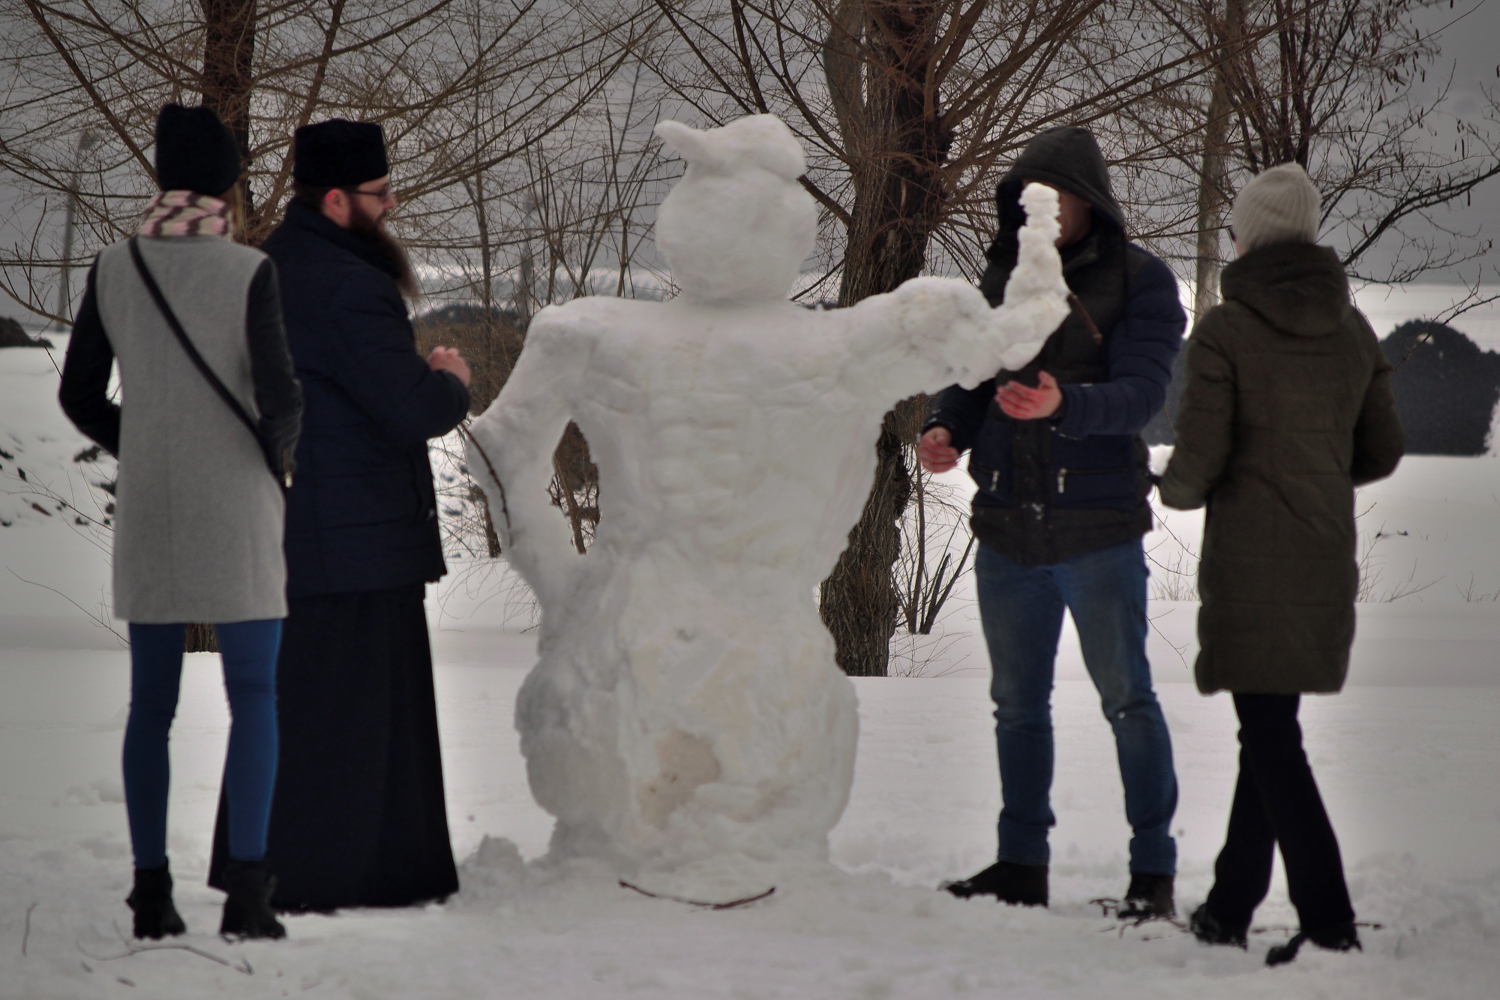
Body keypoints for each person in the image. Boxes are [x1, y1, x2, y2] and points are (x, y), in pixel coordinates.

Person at [920, 125, 1185, 915]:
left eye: (1057, 195)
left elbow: (1142, 395)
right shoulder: (1001, 276)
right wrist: (945, 427)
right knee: (1016, 708)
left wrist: (1064, 403)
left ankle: (1153, 875)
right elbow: (969, 378)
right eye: (1029, 195)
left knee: (1128, 702)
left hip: (1098, 530)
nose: (1043, 208)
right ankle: (1020, 865)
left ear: (1087, 202)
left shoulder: (1141, 279)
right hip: (1008, 529)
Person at [207, 119, 471, 911]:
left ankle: (271, 865)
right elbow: (406, 407)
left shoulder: (271, 266)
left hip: (295, 528)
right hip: (357, 539)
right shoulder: (353, 285)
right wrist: (450, 378)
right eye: (380, 194)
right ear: (335, 197)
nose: (390, 207)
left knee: (307, 708)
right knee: (366, 720)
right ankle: (366, 875)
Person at [59, 104, 302, 940]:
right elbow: (281, 401)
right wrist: (276, 466)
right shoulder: (249, 272)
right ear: (232, 183)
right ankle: (247, 894)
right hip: (238, 504)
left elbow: (78, 395)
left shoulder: (113, 268)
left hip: (152, 510)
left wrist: (150, 444)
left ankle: (151, 894)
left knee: (149, 709)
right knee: (257, 695)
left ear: (162, 175)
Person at [1159, 163, 1403, 965]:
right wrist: (1314, 481)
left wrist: (1171, 487)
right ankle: (1231, 906)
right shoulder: (1354, 330)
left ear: (1251, 237)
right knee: (1268, 729)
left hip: (1252, 566)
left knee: (1272, 739)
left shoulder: (1226, 331)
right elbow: (1382, 450)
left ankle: (1329, 917)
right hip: (1324, 557)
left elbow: (1198, 460)